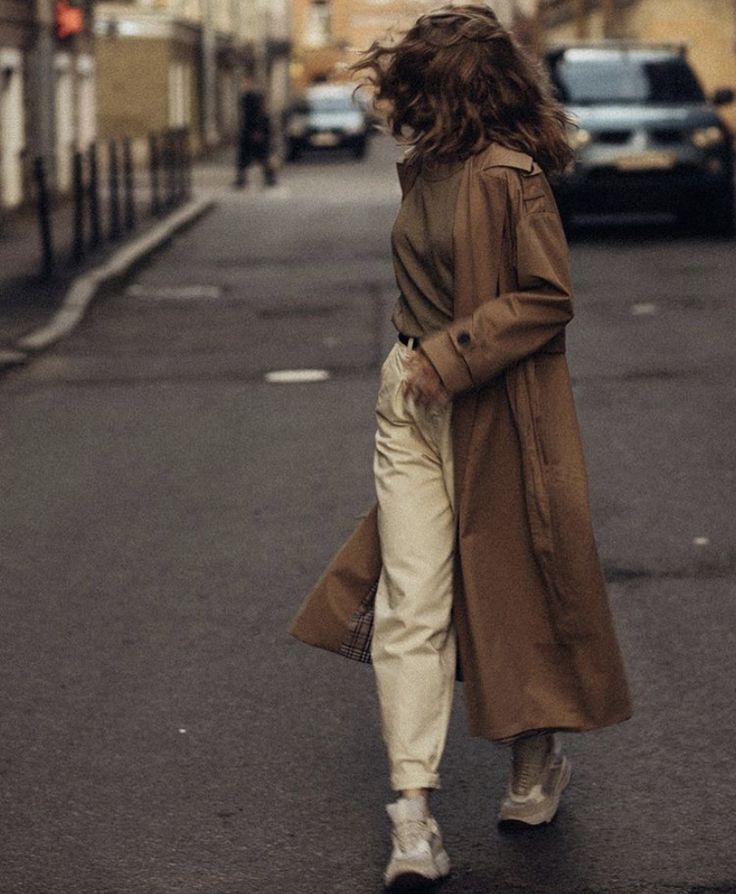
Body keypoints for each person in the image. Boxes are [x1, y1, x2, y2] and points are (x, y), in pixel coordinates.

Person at [289, 5, 632, 891]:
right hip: (409, 397)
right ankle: (412, 819)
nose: (399, 96)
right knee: (413, 603)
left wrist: (451, 356)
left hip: (494, 403)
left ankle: (532, 767)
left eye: (415, 80)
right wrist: (416, 366)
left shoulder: (512, 178)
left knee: (518, 579)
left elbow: (549, 299)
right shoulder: (428, 169)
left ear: (454, 89)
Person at [235, 74, 277, 188]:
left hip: (254, 132)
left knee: (261, 157)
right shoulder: (247, 97)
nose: (243, 85)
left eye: (245, 83)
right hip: (251, 132)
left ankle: (269, 178)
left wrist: (257, 131)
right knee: (246, 158)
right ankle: (242, 179)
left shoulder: (253, 98)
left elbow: (258, 116)